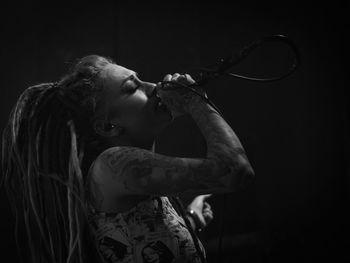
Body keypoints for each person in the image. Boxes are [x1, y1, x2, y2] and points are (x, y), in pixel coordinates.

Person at [1, 55, 254, 263]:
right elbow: (235, 170)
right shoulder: (115, 164)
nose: (154, 87)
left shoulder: (127, 172)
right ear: (109, 127)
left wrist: (187, 220)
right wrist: (195, 100)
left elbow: (138, 240)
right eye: (133, 87)